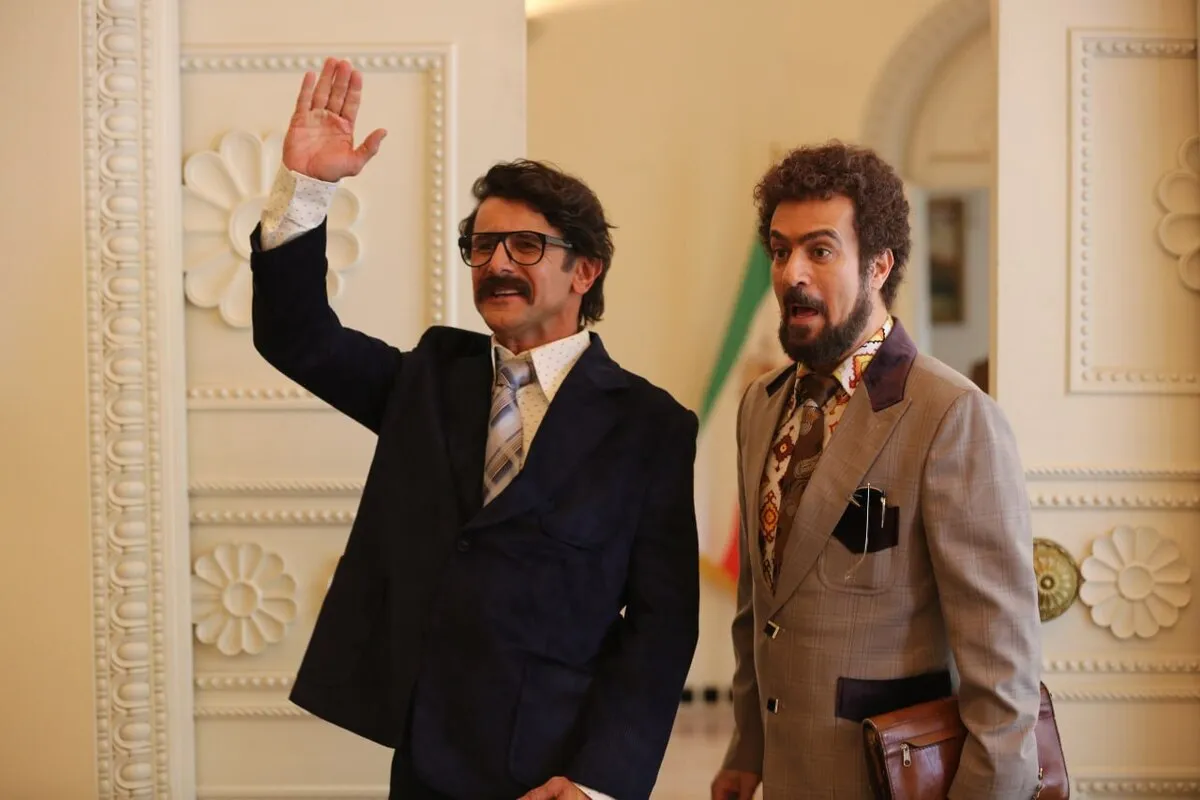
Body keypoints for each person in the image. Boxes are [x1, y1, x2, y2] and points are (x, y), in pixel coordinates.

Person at [250, 57, 700, 800]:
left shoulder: (649, 427)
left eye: (525, 246)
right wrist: (307, 188)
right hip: (425, 761)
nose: (496, 264)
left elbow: (663, 622)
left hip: (553, 770)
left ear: (584, 271)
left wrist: (598, 782)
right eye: (483, 247)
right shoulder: (431, 377)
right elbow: (297, 337)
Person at [710, 142, 1042, 799]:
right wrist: (748, 750)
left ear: (879, 265)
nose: (791, 274)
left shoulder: (952, 416)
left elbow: (1002, 675)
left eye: (820, 250)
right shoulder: (760, 406)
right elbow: (758, 609)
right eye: (779, 250)